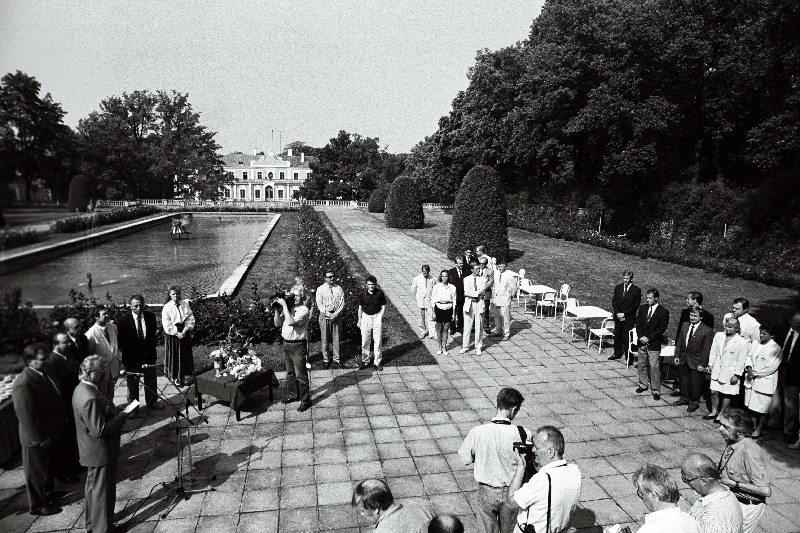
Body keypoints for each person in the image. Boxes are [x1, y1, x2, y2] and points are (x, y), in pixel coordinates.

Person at [73, 355, 134, 533]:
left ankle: (93, 524)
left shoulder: (82, 389)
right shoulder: (90, 397)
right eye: (101, 371)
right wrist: (122, 416)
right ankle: (104, 529)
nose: (105, 373)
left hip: (90, 451)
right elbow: (99, 430)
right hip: (100, 452)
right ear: (91, 373)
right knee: (103, 492)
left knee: (93, 490)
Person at [459, 387, 530, 533]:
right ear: (514, 409)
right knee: (510, 530)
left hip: (486, 491)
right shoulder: (523, 433)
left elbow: (465, 458)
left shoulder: (477, 432)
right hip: (512, 490)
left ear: (497, 404)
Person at [12, 343, 68, 516]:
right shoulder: (24, 383)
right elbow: (26, 416)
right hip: (37, 436)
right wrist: (40, 438)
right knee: (36, 473)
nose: (47, 362)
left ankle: (49, 493)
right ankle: (37, 505)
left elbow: (58, 395)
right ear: (30, 361)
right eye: (42, 359)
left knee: (49, 466)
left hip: (53, 429)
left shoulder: (46, 372)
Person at [507, 426, 581, 533]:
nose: (532, 450)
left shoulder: (541, 481)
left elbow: (511, 503)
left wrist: (520, 467)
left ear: (550, 452)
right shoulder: (575, 471)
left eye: (536, 447)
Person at [716, 407, 771, 533]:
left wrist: (733, 484)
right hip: (733, 501)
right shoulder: (733, 441)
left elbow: (765, 490)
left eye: (726, 427)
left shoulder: (749, 452)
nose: (720, 429)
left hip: (747, 507)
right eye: (721, 424)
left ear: (740, 432)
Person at [117, 294, 162, 413]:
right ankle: (133, 408)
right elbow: (120, 342)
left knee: (151, 380)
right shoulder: (123, 321)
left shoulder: (150, 316)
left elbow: (152, 336)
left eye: (141, 305)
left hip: (148, 356)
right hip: (131, 358)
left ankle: (152, 401)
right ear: (130, 306)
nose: (138, 308)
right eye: (135, 306)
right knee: (132, 385)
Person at [48, 333, 82, 482]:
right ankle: (63, 472)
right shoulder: (52, 362)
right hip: (64, 405)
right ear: (55, 344)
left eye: (69, 342)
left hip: (73, 401)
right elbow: (56, 388)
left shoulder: (67, 356)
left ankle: (73, 464)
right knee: (65, 439)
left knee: (73, 436)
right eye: (65, 342)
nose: (69, 344)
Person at [681, 453, 743, 533]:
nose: (687, 484)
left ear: (703, 481)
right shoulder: (726, 493)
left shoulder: (711, 521)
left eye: (686, 480)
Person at [628, 464, 700, 533]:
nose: (643, 499)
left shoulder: (649, 530)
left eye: (641, 494)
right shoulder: (691, 521)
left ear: (654, 496)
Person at [274, 291, 312, 412]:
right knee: (290, 373)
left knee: (301, 375)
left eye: (297, 295)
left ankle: (306, 401)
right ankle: (293, 394)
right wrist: (276, 310)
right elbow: (277, 323)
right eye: (293, 295)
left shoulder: (304, 310)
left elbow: (291, 322)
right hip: (286, 344)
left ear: (303, 297)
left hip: (298, 345)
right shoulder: (289, 308)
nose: (294, 297)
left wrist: (284, 305)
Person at [351, 479, 434, 533]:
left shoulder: (384, 530)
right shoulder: (419, 507)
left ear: (377, 508)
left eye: (363, 511)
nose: (362, 514)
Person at [706, 317, 749, 421]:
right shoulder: (719, 336)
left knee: (726, 394)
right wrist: (710, 364)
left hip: (730, 372)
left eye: (730, 327)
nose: (727, 328)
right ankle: (714, 411)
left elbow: (741, 360)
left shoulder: (742, 342)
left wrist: (737, 375)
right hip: (717, 368)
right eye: (726, 326)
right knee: (713, 391)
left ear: (737, 329)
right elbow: (713, 351)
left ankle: (722, 414)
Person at [673, 305, 714, 413]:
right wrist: (677, 355)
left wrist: (703, 363)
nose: (692, 318)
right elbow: (680, 342)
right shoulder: (685, 325)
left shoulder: (706, 330)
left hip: (696, 360)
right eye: (691, 315)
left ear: (701, 317)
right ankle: (684, 398)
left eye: (695, 316)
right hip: (684, 358)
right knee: (684, 379)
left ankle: (694, 402)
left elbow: (706, 349)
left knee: (695, 382)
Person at [743, 324, 781, 438]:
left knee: (762, 408)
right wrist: (749, 369)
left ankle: (759, 429)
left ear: (772, 335)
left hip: (764, 381)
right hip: (751, 379)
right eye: (760, 332)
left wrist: (755, 373)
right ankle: (752, 426)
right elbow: (749, 356)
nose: (761, 335)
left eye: (764, 334)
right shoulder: (756, 343)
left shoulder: (776, 349)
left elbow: (771, 367)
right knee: (751, 405)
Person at [635, 289, 670, 400]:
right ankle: (643, 384)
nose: (647, 300)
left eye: (650, 298)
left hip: (653, 343)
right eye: (647, 298)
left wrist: (648, 338)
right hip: (641, 341)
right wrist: (641, 336)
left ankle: (655, 390)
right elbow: (638, 324)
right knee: (641, 363)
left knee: (654, 366)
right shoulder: (642, 308)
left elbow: (661, 329)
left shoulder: (663, 312)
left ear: (656, 298)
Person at [85, 305, 121, 400]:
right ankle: (104, 413)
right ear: (96, 317)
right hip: (101, 371)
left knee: (111, 393)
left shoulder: (113, 327)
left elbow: (117, 346)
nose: (108, 315)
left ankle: (111, 411)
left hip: (113, 368)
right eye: (104, 314)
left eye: (108, 313)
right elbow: (89, 356)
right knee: (103, 396)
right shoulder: (91, 334)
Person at [162, 286, 195, 387]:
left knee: (185, 354)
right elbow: (166, 323)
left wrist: (185, 330)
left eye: (177, 294)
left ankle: (184, 375)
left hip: (184, 331)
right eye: (173, 294)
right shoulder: (167, 307)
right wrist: (177, 333)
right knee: (174, 354)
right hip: (173, 334)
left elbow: (190, 317)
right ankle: (175, 377)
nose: (175, 296)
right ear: (170, 295)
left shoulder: (184, 304)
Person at [778, 312, 800, 448]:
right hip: (782, 368)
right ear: (790, 322)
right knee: (782, 399)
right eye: (796, 322)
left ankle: (789, 431)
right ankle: (777, 424)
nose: (797, 325)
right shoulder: (786, 331)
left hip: (795, 374)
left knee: (791, 404)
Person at [610, 270, 641, 361]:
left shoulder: (636, 290)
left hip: (628, 318)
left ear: (631, 279)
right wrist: (618, 313)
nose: (625, 280)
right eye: (624, 278)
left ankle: (629, 357)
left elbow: (635, 305)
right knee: (617, 335)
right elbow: (614, 301)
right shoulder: (618, 287)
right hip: (618, 316)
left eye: (627, 278)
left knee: (628, 337)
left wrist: (624, 314)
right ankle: (616, 353)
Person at [316, 271, 345, 369]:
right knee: (325, 338)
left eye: (333, 276)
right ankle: (326, 359)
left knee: (336, 338)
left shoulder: (338, 289)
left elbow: (342, 303)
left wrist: (335, 314)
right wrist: (328, 314)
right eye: (330, 277)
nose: (332, 278)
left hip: (336, 316)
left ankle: (336, 359)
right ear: (325, 278)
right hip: (325, 316)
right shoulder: (320, 289)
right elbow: (319, 304)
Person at [358, 275, 387, 371]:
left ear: (375, 284)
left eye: (373, 284)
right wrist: (359, 320)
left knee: (377, 340)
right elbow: (360, 308)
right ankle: (365, 360)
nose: (371, 286)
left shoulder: (379, 293)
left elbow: (383, 305)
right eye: (369, 284)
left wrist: (380, 316)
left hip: (376, 317)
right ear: (366, 285)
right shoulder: (362, 294)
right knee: (365, 340)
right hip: (366, 317)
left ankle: (377, 361)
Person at [461, 260, 488, 355]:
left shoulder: (483, 279)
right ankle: (465, 346)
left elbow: (483, 292)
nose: (478, 271)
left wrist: (474, 294)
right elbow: (466, 292)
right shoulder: (466, 279)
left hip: (479, 304)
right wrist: (476, 294)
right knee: (467, 326)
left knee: (479, 326)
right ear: (472, 269)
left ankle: (478, 346)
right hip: (469, 304)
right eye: (476, 269)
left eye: (479, 269)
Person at [431, 270, 457, 355]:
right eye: (443, 276)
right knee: (439, 329)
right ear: (440, 277)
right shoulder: (436, 287)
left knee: (446, 329)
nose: (444, 278)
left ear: (448, 277)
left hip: (448, 308)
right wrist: (433, 312)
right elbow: (433, 300)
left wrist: (453, 313)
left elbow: (454, 301)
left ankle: (445, 347)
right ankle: (440, 347)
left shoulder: (452, 287)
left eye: (446, 276)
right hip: (439, 308)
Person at [491, 262, 518, 341]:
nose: (499, 267)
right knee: (496, 316)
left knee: (505, 317)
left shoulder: (509, 276)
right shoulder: (496, 274)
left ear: (505, 266)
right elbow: (494, 285)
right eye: (498, 266)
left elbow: (514, 289)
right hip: (496, 299)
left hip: (505, 299)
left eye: (501, 266)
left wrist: (508, 296)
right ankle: (498, 330)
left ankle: (506, 332)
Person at [448, 256, 471, 335]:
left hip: (462, 295)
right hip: (454, 295)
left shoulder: (467, 271)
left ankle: (460, 327)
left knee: (461, 312)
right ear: (455, 264)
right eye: (459, 263)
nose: (461, 265)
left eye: (462, 263)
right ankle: (452, 328)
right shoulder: (451, 272)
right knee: (453, 311)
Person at [411, 265, 436, 338]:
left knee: (430, 316)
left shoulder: (433, 279)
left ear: (429, 272)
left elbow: (435, 289)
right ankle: (423, 330)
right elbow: (413, 289)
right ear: (422, 271)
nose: (426, 274)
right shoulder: (417, 279)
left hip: (429, 300)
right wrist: (418, 296)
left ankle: (432, 332)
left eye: (427, 273)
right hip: (421, 299)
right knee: (421, 315)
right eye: (424, 273)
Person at [476, 252, 496, 333]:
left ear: (486, 264)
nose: (481, 265)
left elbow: (491, 282)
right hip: (477, 293)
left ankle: (486, 325)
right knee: (477, 308)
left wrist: (483, 289)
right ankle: (476, 325)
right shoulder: (476, 269)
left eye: (483, 264)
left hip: (485, 293)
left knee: (486, 310)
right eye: (480, 263)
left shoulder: (490, 271)